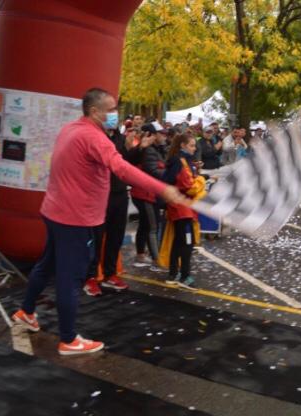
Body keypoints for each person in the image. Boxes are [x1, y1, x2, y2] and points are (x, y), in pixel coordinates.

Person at [11, 88, 187, 355]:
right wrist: (161, 189)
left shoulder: (70, 129)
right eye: (111, 109)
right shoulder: (96, 138)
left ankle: (26, 311)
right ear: (95, 112)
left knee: (46, 265)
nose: (116, 114)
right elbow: (122, 169)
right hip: (75, 218)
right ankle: (69, 340)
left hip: (55, 212)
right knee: (71, 278)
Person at [83, 125, 141, 296]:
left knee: (115, 236)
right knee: (97, 237)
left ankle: (110, 274)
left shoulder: (121, 138)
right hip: (100, 194)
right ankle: (90, 277)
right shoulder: (96, 136)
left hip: (120, 193)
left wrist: (139, 148)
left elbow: (127, 162)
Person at [161, 133, 205, 290]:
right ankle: (184, 275)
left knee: (179, 241)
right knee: (187, 242)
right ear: (183, 145)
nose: (194, 148)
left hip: (180, 208)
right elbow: (189, 187)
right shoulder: (180, 162)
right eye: (192, 145)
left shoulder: (181, 161)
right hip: (182, 208)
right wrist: (200, 180)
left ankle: (173, 274)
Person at [131, 121, 169, 266]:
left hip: (148, 193)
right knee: (153, 227)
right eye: (159, 134)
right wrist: (171, 174)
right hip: (144, 193)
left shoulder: (157, 149)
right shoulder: (148, 150)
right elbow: (152, 170)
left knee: (146, 225)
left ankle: (142, 253)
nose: (163, 136)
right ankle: (156, 259)